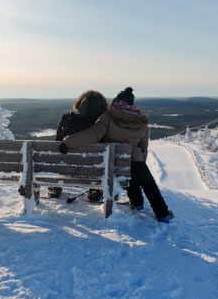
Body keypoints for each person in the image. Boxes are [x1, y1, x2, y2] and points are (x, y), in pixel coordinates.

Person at [59, 87, 174, 222]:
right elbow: (143, 149)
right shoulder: (142, 124)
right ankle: (160, 212)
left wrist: (68, 142)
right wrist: (141, 163)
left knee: (126, 169)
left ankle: (137, 202)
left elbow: (93, 135)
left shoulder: (107, 117)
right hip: (134, 164)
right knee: (147, 182)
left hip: (111, 164)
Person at [49, 90, 108, 200]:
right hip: (93, 170)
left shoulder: (66, 120)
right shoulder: (101, 126)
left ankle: (55, 187)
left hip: (66, 167)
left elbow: (57, 144)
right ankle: (95, 189)